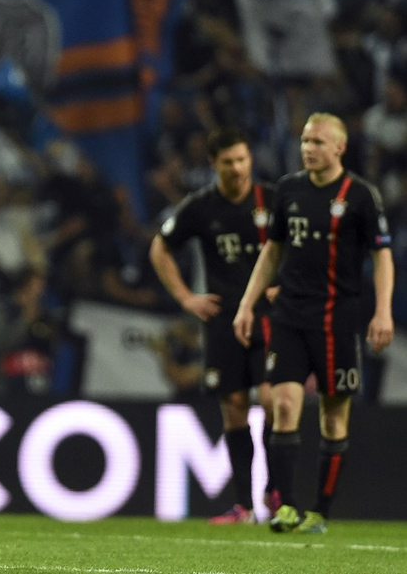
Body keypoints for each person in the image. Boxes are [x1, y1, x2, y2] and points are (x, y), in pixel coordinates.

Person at [233, 113, 394, 534]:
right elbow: (272, 251)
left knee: (333, 417)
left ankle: (320, 511)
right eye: (305, 141)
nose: (308, 148)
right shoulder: (288, 190)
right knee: (282, 405)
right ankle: (285, 505)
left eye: (318, 142)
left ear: (340, 147)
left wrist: (383, 310)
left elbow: (382, 256)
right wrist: (247, 303)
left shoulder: (360, 196)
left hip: (337, 319)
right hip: (289, 315)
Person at [149, 127, 278, 524]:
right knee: (235, 408)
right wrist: (186, 297)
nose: (236, 168)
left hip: (268, 317)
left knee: (274, 401)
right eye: (228, 162)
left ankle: (276, 493)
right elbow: (160, 247)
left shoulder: (273, 201)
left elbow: (304, 246)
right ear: (213, 164)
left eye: (241, 160)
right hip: (223, 319)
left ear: (250, 159)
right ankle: (244, 506)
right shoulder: (201, 207)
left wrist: (287, 284)